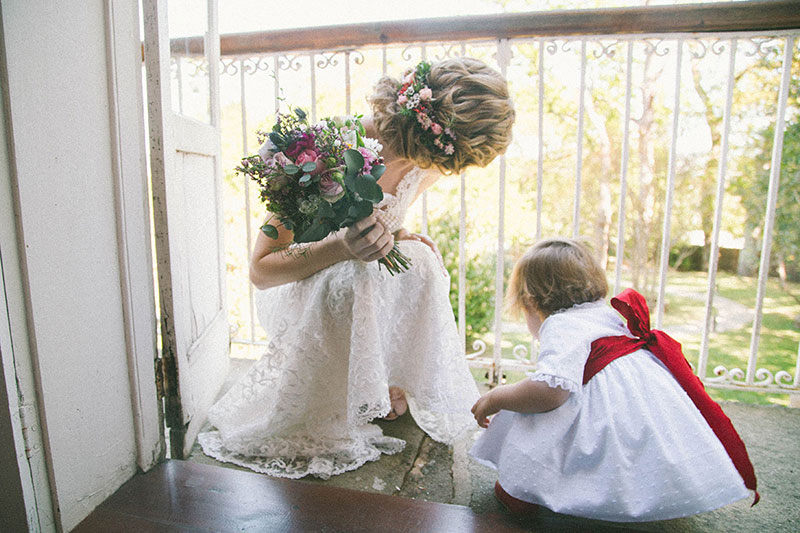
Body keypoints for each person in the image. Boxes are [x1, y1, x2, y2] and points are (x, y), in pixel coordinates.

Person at [198, 57, 515, 479]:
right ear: (441, 140)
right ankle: (337, 398)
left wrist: (395, 236)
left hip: (350, 276)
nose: (444, 169)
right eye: (455, 158)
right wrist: (343, 246)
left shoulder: (426, 161)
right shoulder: (323, 149)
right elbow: (262, 270)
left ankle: (388, 384)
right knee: (361, 274)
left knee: (422, 261)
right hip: (296, 288)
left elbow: (386, 217)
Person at [469, 238, 756, 522]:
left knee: (531, 411)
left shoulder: (560, 325)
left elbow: (550, 391)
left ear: (531, 302)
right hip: (638, 401)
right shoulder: (603, 312)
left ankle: (523, 489)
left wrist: (497, 397)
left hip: (603, 408)